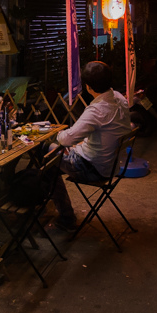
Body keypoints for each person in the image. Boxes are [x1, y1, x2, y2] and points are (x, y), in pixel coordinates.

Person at [48, 61, 132, 232]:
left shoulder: (97, 110)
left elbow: (65, 139)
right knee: (57, 155)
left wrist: (57, 136)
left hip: (93, 169)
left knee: (48, 154)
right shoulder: (120, 98)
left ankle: (67, 217)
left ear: (88, 87)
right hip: (113, 166)